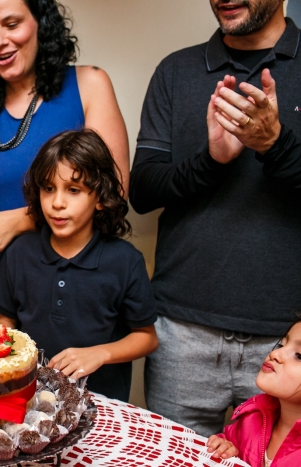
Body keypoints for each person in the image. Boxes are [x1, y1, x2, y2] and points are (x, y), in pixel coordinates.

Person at [130, 0, 301, 436]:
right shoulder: (176, 71)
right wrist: (212, 161)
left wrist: (275, 144)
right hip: (180, 334)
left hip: (288, 342)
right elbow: (143, 192)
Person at [0, 0, 129, 321]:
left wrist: (18, 222)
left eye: (12, 24)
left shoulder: (89, 85)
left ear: (41, 24)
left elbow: (114, 194)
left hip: (61, 285)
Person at [0, 129, 158, 401]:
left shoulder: (125, 261)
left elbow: (147, 338)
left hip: (100, 404)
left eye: (73, 190)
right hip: (31, 400)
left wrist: (101, 353)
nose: (57, 203)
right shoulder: (20, 253)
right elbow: (5, 321)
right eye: (48, 189)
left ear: (100, 197)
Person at [206, 317, 301, 467]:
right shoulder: (252, 417)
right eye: (281, 344)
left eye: (299, 356)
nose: (275, 354)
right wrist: (225, 446)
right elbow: (230, 443)